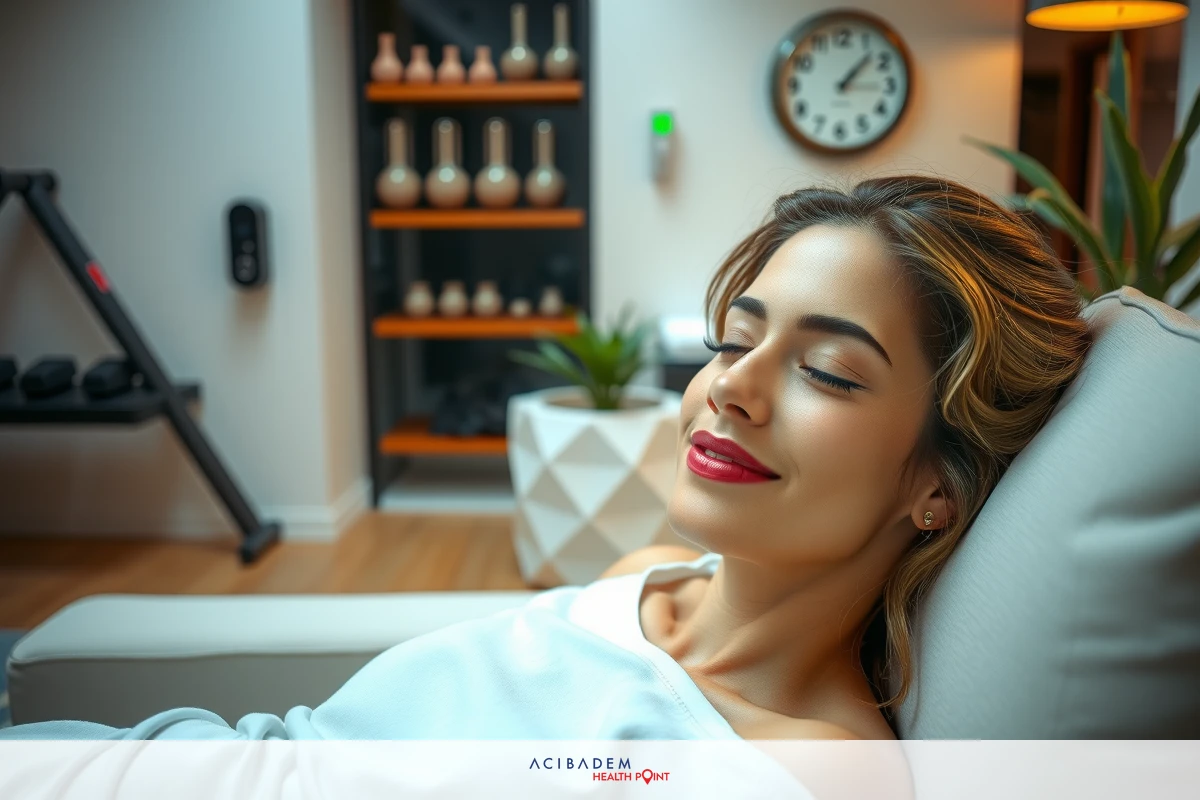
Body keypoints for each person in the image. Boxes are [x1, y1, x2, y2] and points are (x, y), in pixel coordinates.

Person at [0, 176, 1090, 745]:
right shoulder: (646, 577)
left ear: (936, 484)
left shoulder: (808, 768)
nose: (731, 388)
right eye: (733, 340)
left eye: (828, 371)